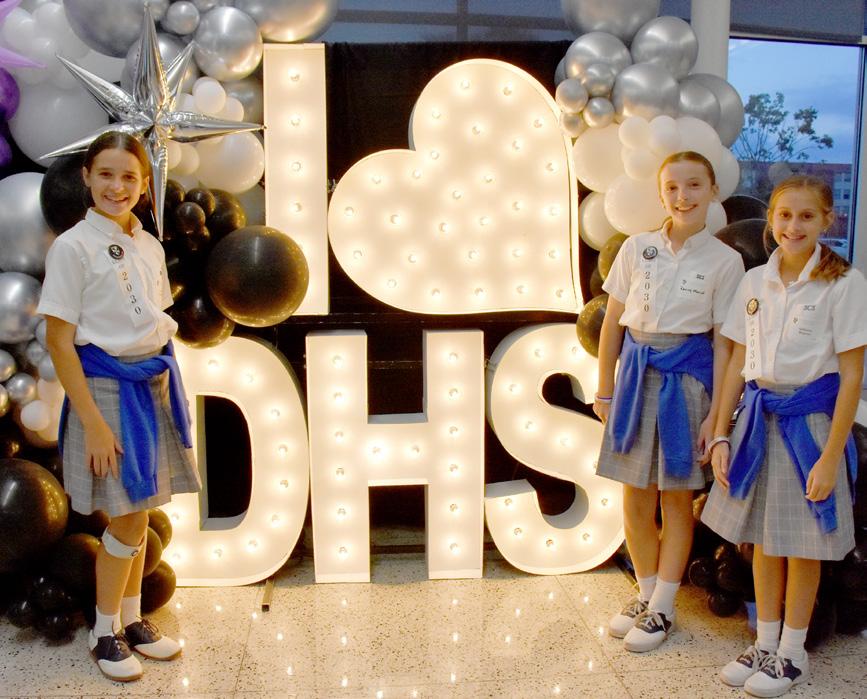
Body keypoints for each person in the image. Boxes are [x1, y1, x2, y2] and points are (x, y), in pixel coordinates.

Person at [38, 131, 201, 682]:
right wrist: (93, 423)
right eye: (105, 174)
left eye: (129, 176)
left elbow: (152, 320)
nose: (117, 186)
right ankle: (103, 631)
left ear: (145, 183)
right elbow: (60, 343)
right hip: (105, 389)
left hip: (150, 383)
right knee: (128, 514)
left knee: (143, 509)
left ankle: (131, 621)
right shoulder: (72, 248)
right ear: (86, 177)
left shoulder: (148, 244)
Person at [702, 175, 866, 697]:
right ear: (771, 220)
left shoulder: (845, 283)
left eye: (806, 216)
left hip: (810, 426)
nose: (794, 226)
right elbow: (736, 360)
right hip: (758, 420)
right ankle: (765, 643)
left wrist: (830, 457)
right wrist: (721, 432)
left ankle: (793, 654)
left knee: (802, 546)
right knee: (762, 542)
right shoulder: (755, 282)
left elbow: (851, 378)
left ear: (827, 220)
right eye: (785, 215)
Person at [594, 151, 744, 652]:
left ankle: (664, 606)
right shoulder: (637, 248)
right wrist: (605, 389)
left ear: (713, 190)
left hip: (688, 384)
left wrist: (716, 418)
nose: (683, 196)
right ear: (661, 194)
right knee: (634, 495)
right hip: (636, 379)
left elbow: (724, 344)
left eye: (694, 185)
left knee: (676, 498)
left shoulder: (725, 261)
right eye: (673, 187)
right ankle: (645, 591)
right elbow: (612, 323)